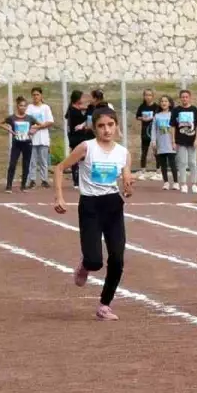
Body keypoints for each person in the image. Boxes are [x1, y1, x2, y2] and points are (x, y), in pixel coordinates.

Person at [53, 106, 132, 322]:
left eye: (110, 125)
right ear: (94, 128)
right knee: (95, 260)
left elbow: (126, 178)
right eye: (101, 126)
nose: (106, 130)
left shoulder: (123, 153)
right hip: (90, 206)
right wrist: (59, 197)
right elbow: (60, 168)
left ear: (116, 126)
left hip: (113, 206)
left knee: (117, 258)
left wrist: (128, 186)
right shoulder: (86, 148)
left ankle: (104, 305)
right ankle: (86, 264)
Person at [0, 96, 37, 193]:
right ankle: (8, 186)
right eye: (21, 105)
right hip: (16, 143)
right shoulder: (12, 118)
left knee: (26, 164)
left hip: (27, 143)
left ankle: (23, 186)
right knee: (12, 163)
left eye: (24, 106)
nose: (23, 108)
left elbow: (40, 124)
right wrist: (10, 130)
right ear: (17, 106)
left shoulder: (29, 118)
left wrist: (33, 130)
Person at [172, 89, 197, 194]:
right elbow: (173, 127)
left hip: (191, 139)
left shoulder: (194, 109)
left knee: (192, 162)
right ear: (180, 98)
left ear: (189, 98)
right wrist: (173, 141)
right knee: (182, 162)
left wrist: (196, 139)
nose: (184, 99)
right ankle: (183, 183)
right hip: (180, 140)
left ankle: (194, 183)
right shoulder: (176, 110)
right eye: (182, 97)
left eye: (186, 97)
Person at [26, 87, 55, 189]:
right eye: (34, 95)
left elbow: (50, 121)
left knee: (43, 160)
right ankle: (32, 180)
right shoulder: (29, 107)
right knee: (32, 160)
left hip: (43, 138)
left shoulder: (45, 107)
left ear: (41, 96)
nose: (35, 97)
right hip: (32, 138)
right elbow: (27, 121)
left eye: (37, 94)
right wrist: (33, 128)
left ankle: (44, 180)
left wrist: (39, 126)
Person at [65, 90, 90, 190]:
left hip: (74, 136)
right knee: (77, 158)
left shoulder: (72, 108)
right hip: (77, 137)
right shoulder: (74, 111)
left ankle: (78, 180)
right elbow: (83, 119)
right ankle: (77, 181)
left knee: (78, 158)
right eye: (82, 98)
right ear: (77, 99)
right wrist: (88, 111)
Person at [154, 95, 179, 190]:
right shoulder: (157, 116)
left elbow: (176, 128)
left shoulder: (173, 115)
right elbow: (154, 130)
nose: (164, 103)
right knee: (163, 164)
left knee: (172, 163)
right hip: (161, 143)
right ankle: (166, 182)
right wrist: (154, 141)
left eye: (166, 101)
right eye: (162, 101)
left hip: (170, 142)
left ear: (169, 103)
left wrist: (175, 141)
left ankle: (176, 182)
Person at [135, 88, 156, 178]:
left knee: (156, 150)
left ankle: (158, 171)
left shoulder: (156, 107)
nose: (148, 97)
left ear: (153, 96)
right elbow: (137, 116)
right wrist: (142, 118)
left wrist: (152, 118)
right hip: (144, 131)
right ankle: (143, 171)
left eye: (150, 95)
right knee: (144, 151)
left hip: (154, 131)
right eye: (146, 95)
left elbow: (159, 116)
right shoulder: (142, 106)